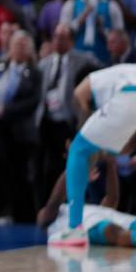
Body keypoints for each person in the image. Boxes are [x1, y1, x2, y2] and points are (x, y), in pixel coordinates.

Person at [50, 63, 136, 246]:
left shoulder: (87, 85)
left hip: (132, 93)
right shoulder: (118, 75)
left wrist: (80, 136)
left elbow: (82, 107)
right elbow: (122, 148)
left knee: (78, 149)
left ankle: (74, 230)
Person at [0, 29, 42, 225]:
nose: (19, 48)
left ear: (29, 49)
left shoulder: (34, 73)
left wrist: (6, 110)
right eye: (16, 44)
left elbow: (33, 101)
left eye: (23, 45)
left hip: (20, 129)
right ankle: (2, 211)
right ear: (10, 47)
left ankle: (20, 212)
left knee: (19, 171)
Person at [34, 24, 102, 207]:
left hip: (70, 120)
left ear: (71, 41)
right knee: (47, 168)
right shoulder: (44, 63)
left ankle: (74, 203)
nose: (58, 41)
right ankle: (49, 206)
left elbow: (98, 74)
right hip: (47, 122)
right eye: (55, 37)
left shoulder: (84, 59)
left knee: (71, 164)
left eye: (62, 37)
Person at [39, 164, 136, 248]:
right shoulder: (51, 214)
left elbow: (112, 198)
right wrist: (75, 166)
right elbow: (54, 201)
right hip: (87, 226)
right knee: (111, 231)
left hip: (107, 217)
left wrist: (110, 162)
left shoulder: (93, 207)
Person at [60, 0, 124, 65]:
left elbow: (120, 35)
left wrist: (102, 29)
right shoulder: (71, 4)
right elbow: (62, 33)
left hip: (103, 57)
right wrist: (82, 18)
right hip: (76, 57)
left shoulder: (112, 6)